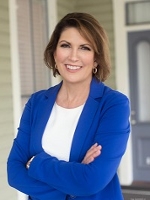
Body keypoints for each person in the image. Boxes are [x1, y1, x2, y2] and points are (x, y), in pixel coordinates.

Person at [7, 12, 130, 200]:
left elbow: (92, 181)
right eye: (65, 45)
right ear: (55, 53)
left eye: (84, 48)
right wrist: (75, 180)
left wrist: (35, 164)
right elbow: (14, 173)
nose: (73, 57)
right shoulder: (36, 103)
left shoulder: (113, 105)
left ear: (96, 58)